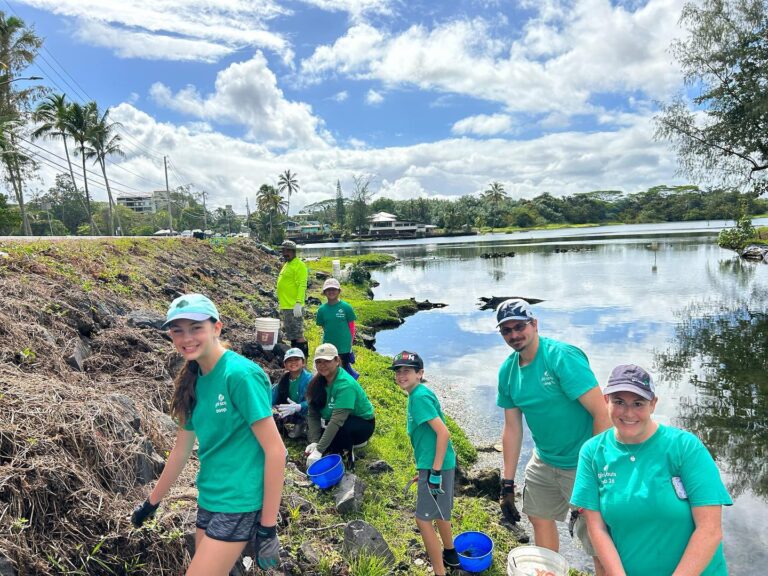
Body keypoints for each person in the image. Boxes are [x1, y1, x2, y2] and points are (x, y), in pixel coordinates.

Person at [130, 294, 286, 576]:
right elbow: (180, 451)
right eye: (178, 330)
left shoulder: (239, 375)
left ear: (216, 328)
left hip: (239, 501)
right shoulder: (192, 380)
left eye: (196, 328)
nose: (186, 338)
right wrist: (151, 502)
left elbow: (276, 451)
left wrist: (268, 527)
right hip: (209, 497)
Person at [571, 364, 732, 576]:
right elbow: (597, 528)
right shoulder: (592, 452)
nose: (628, 412)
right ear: (606, 400)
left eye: (638, 403)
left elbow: (710, 530)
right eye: (619, 401)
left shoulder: (685, 447)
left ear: (653, 404)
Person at [495, 298, 610, 575]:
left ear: (534, 324)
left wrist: (591, 473)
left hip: (582, 462)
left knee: (597, 537)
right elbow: (512, 428)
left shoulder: (561, 357)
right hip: (544, 460)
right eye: (506, 330)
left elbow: (602, 414)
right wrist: (507, 484)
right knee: (538, 516)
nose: (514, 335)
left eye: (519, 326)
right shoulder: (507, 372)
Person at [390, 351, 460, 576]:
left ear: (420, 373)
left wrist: (435, 471)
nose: (401, 375)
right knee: (440, 512)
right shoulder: (417, 394)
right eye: (398, 371)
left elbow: (443, 433)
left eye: (407, 371)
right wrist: (425, 470)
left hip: (436, 466)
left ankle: (440, 572)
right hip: (432, 464)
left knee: (423, 520)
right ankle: (450, 554)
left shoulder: (419, 397)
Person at [304, 343, 375, 469]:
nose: (322, 365)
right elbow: (313, 413)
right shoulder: (317, 382)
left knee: (340, 431)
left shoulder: (345, 385)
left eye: (326, 361)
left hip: (361, 423)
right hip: (333, 419)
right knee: (323, 436)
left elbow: (337, 421)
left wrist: (318, 450)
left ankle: (348, 459)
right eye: (319, 362)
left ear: (337, 360)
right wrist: (315, 441)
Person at [315, 277, 358, 376]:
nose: (331, 292)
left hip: (344, 346)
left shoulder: (346, 307)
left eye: (334, 289)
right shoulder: (321, 310)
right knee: (329, 369)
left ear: (339, 291)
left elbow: (351, 327)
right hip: (329, 345)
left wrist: (350, 343)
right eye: (328, 290)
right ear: (324, 292)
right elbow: (324, 327)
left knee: (342, 371)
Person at [276, 240, 308, 359]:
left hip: (293, 306)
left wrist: (299, 303)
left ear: (293, 251)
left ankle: (304, 358)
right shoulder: (287, 264)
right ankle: (296, 357)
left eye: (287, 251)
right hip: (286, 305)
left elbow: (302, 284)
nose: (285, 253)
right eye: (283, 250)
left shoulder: (299, 265)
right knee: (292, 335)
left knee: (298, 334)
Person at [272, 347, 312, 439]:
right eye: (289, 360)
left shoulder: (310, 379)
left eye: (297, 359)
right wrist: (271, 408)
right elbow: (273, 396)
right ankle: (280, 429)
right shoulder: (283, 379)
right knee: (272, 412)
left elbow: (314, 401)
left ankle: (303, 425)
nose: (293, 362)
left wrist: (299, 407)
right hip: (288, 410)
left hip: (306, 413)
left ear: (303, 362)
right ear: (285, 364)